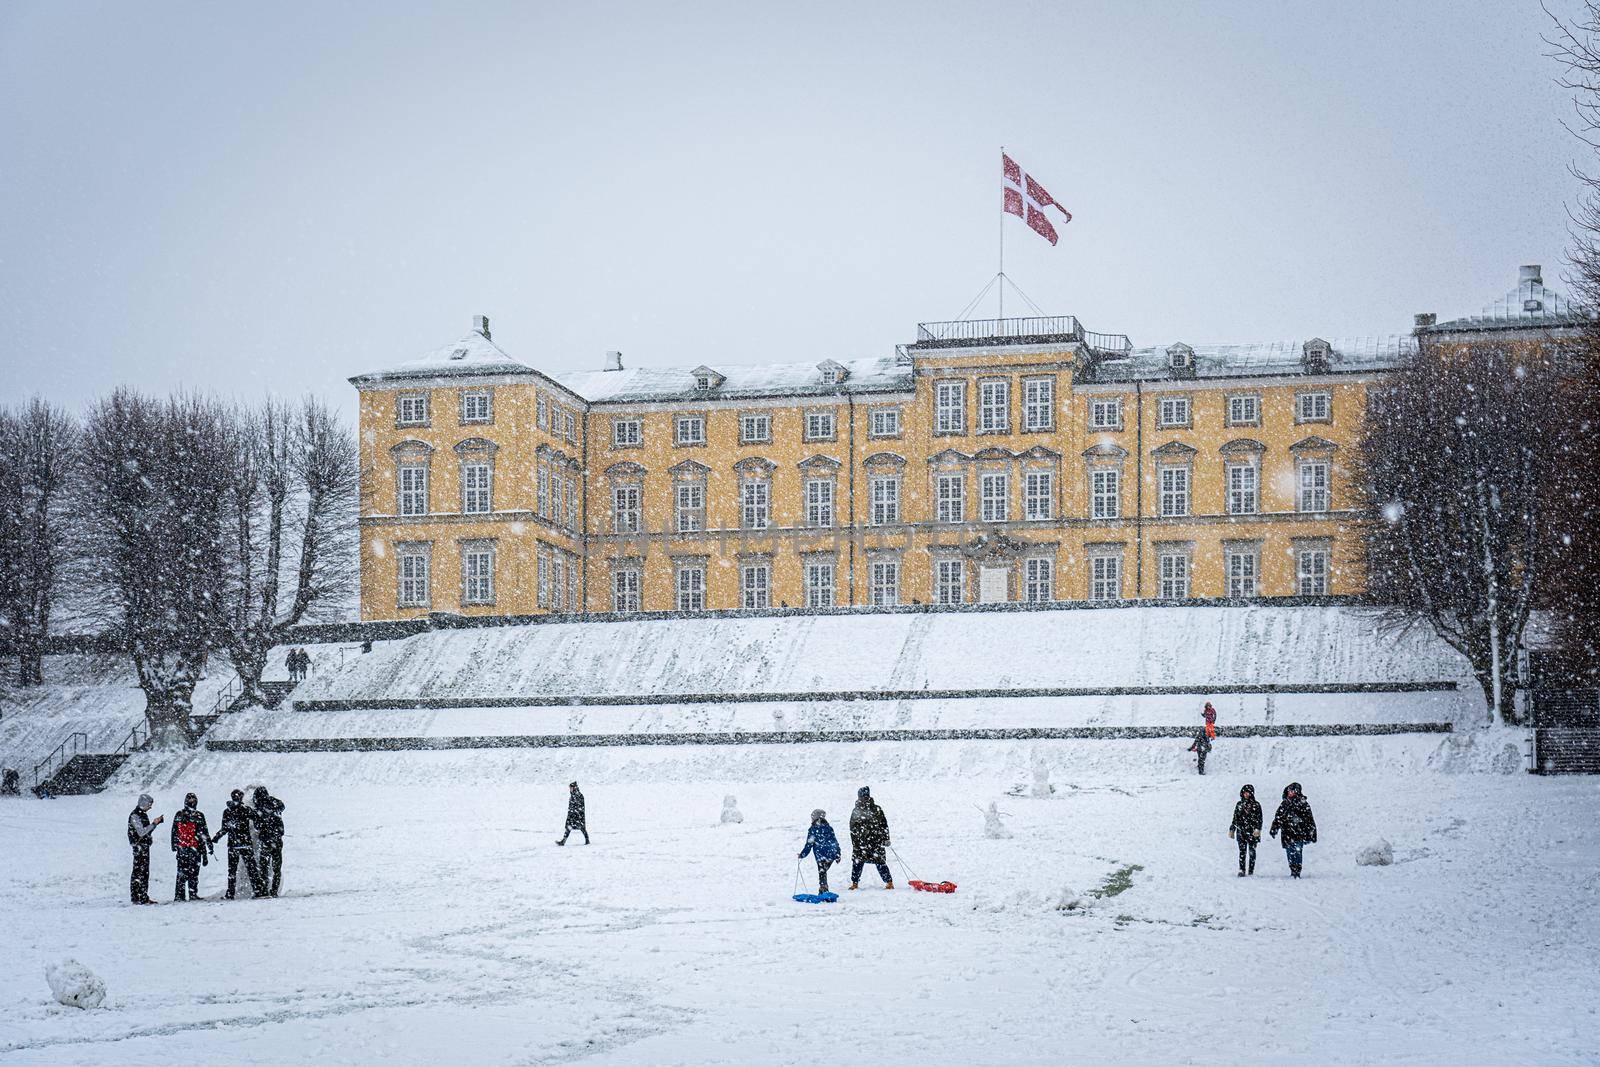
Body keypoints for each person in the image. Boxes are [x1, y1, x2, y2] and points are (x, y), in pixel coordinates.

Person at [213, 789, 265, 899]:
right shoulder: (245, 809)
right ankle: (257, 890)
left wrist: (216, 837)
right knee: (252, 869)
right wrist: (261, 829)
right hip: (245, 844)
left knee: (232, 870)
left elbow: (225, 828)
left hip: (233, 845)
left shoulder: (227, 811)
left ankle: (230, 893)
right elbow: (257, 818)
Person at [1269, 781, 1318, 878]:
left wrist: (1312, 832)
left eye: (1292, 791)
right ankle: (1292, 870)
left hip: (1299, 833)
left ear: (1297, 792)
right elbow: (1278, 817)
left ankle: (1297, 871)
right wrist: (1274, 828)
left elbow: (1309, 819)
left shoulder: (1303, 804)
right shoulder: (1284, 804)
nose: (1290, 792)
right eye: (1289, 791)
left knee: (1298, 851)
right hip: (1287, 833)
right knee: (1289, 852)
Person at [848, 786, 893, 890]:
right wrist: (855, 843)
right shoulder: (856, 810)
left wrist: (886, 838)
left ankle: (889, 882)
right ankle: (855, 883)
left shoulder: (877, 809)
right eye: (862, 796)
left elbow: (884, 825)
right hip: (860, 843)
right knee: (857, 863)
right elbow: (852, 828)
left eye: (865, 796)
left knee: (880, 862)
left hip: (875, 841)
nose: (864, 798)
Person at [170, 793, 213, 901]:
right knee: (193, 873)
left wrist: (174, 845)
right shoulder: (199, 815)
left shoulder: (179, 814)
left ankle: (179, 895)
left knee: (181, 872)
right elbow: (204, 833)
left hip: (182, 847)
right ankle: (192, 893)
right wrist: (209, 846)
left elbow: (174, 831)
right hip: (195, 848)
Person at [127, 794, 164, 904]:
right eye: (149, 804)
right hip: (139, 848)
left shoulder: (141, 814)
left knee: (143, 872)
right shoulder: (135, 816)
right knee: (139, 872)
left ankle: (141, 896)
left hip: (143, 846)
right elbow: (142, 832)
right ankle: (138, 896)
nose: (150, 807)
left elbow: (145, 832)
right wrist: (154, 823)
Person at [797, 809, 842, 893]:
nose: (812, 819)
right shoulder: (829, 828)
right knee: (823, 872)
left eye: (812, 817)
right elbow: (834, 842)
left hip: (820, 856)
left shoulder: (813, 830)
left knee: (822, 872)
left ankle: (823, 890)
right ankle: (823, 889)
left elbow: (809, 845)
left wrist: (802, 855)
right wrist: (838, 854)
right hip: (831, 854)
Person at [253, 786, 286, 897]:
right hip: (277, 840)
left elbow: (257, 826)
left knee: (264, 867)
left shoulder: (258, 809)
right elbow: (282, 806)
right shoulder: (275, 804)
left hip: (266, 841)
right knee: (277, 868)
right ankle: (274, 891)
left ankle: (264, 889)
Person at [1229, 784, 1262, 877]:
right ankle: (1242, 870)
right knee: (1242, 852)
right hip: (1241, 832)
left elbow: (1259, 819)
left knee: (1252, 853)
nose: (1246, 794)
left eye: (1248, 792)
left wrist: (1257, 829)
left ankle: (1251, 870)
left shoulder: (1256, 805)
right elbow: (1235, 818)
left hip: (1253, 832)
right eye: (1244, 792)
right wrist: (1232, 829)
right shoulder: (1239, 804)